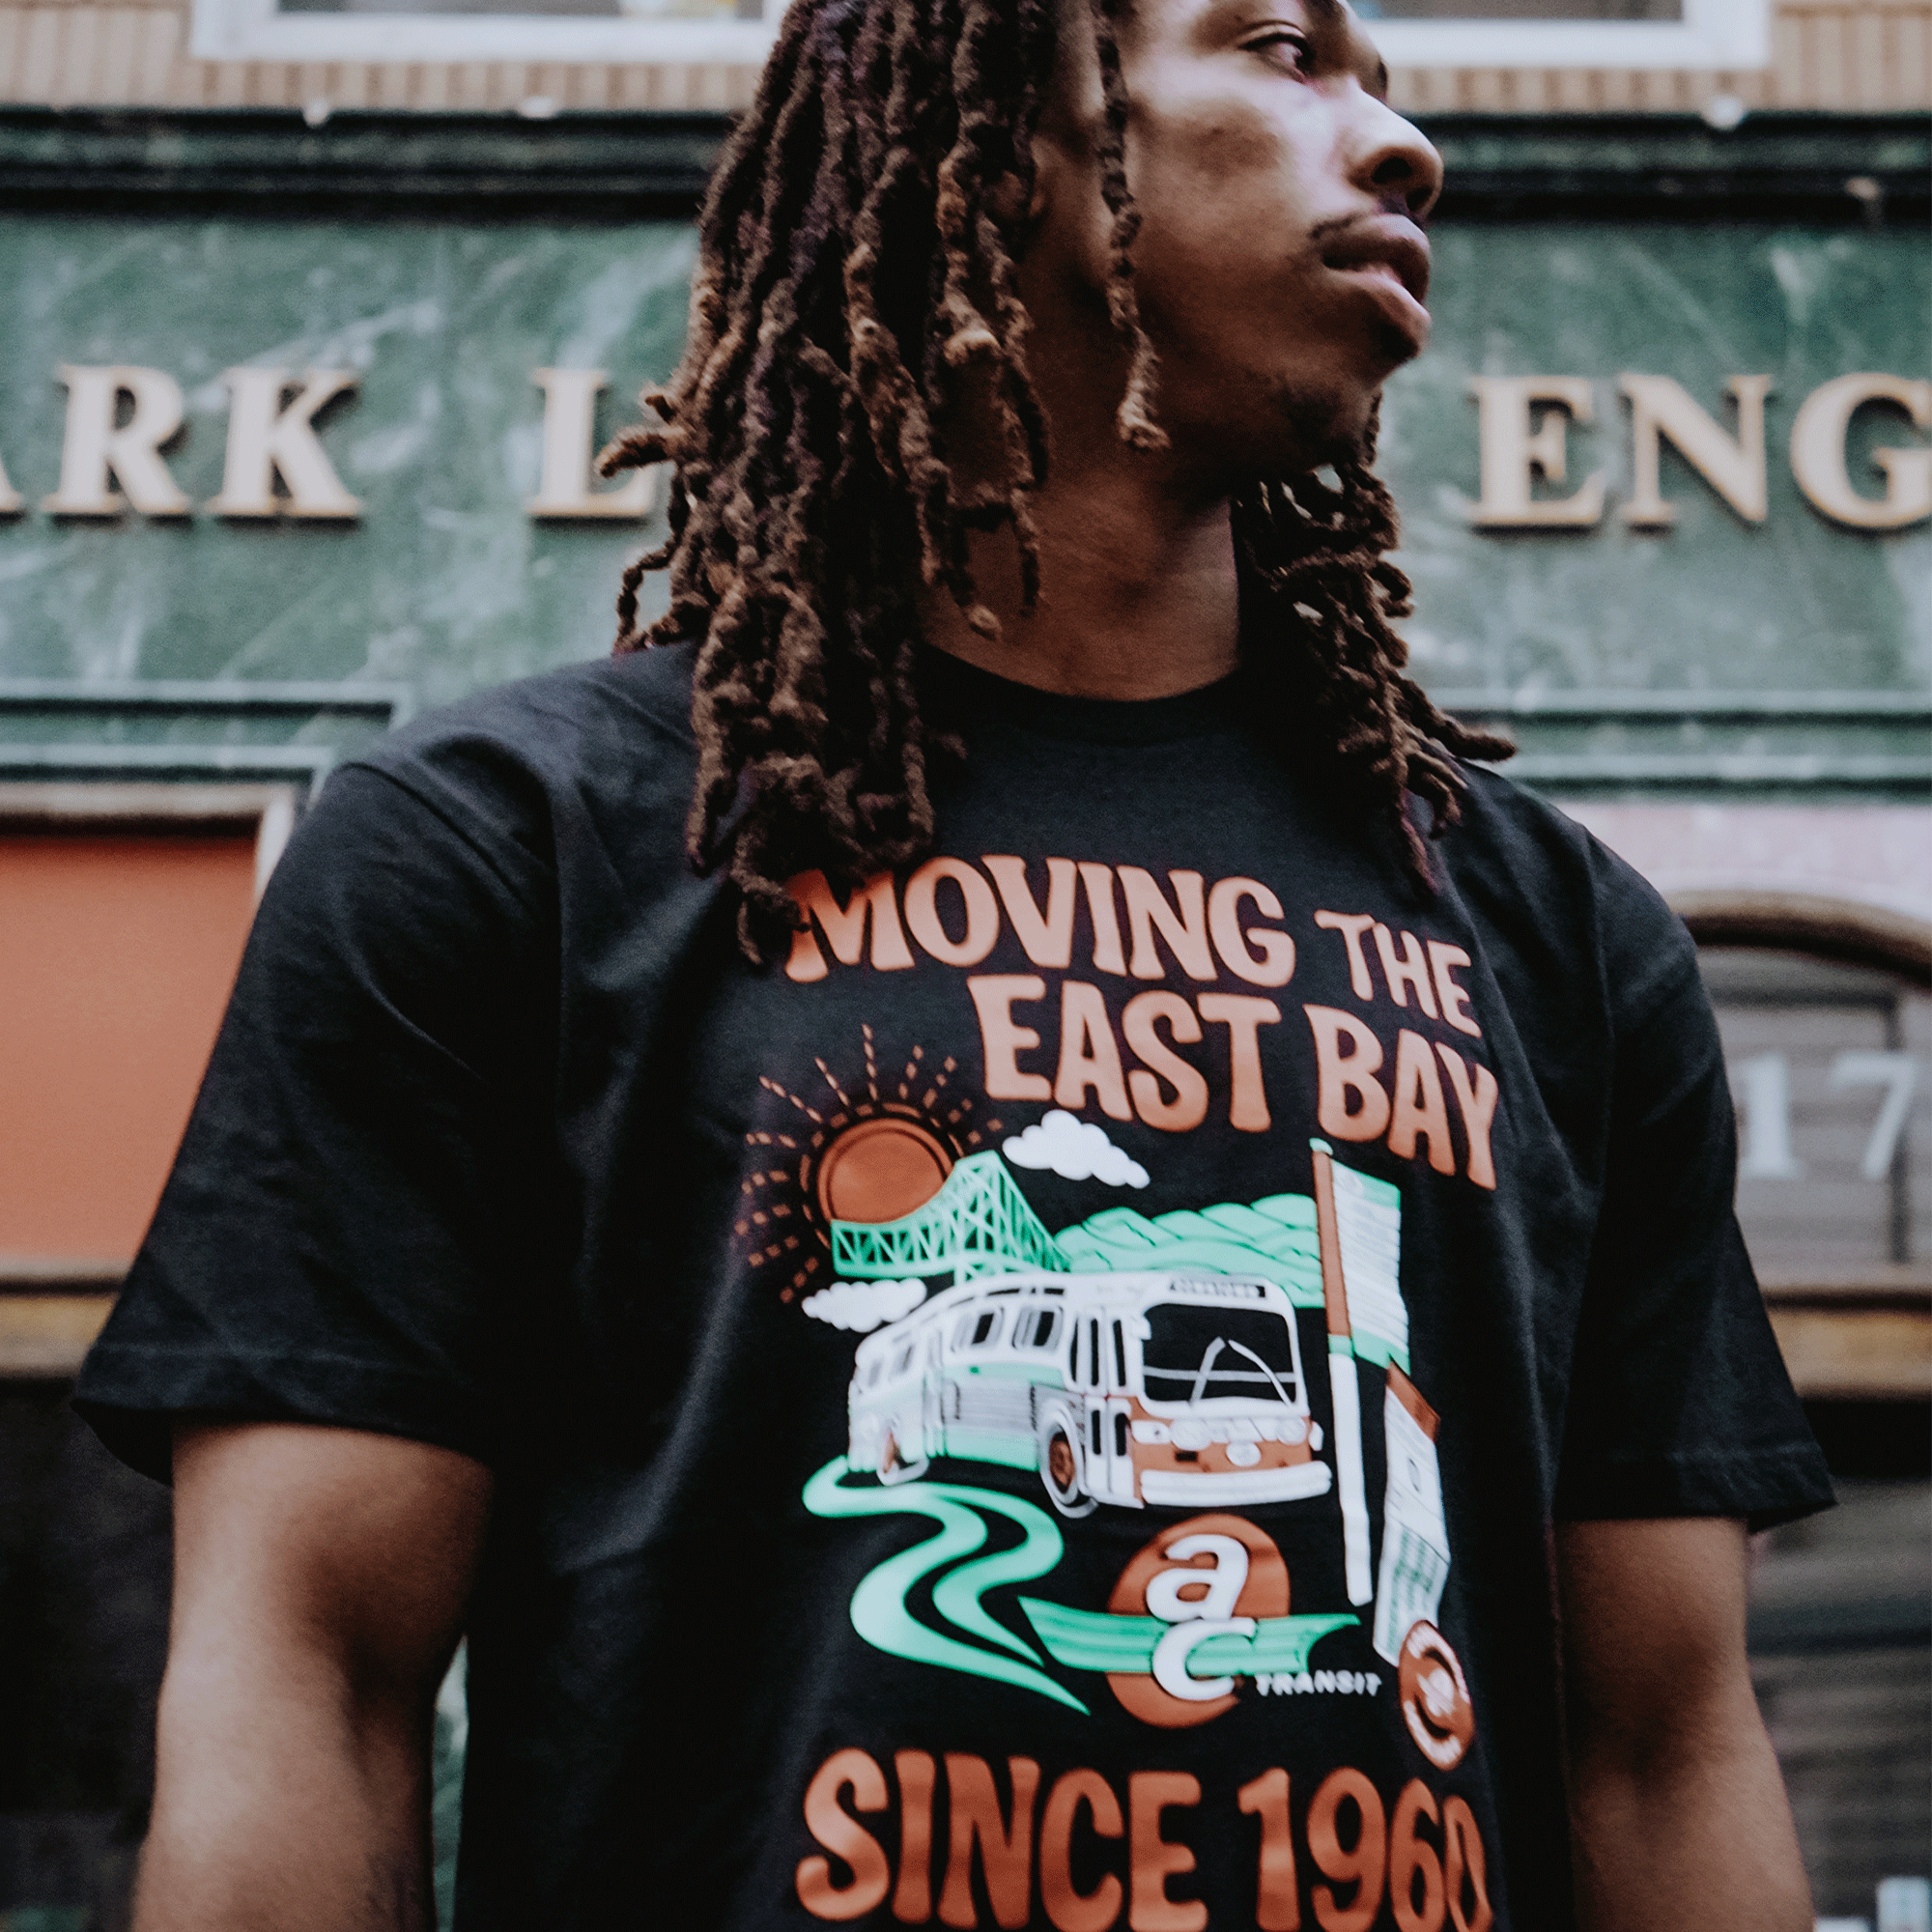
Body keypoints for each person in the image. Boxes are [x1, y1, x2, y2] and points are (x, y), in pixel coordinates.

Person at [74, 0, 1833, 1924]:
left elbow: (1661, 1756)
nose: (1405, 139)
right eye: (1285, 49)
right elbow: (305, 1692)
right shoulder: (500, 854)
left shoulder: (1555, 937)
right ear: (1008, 142)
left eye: (1382, 72)